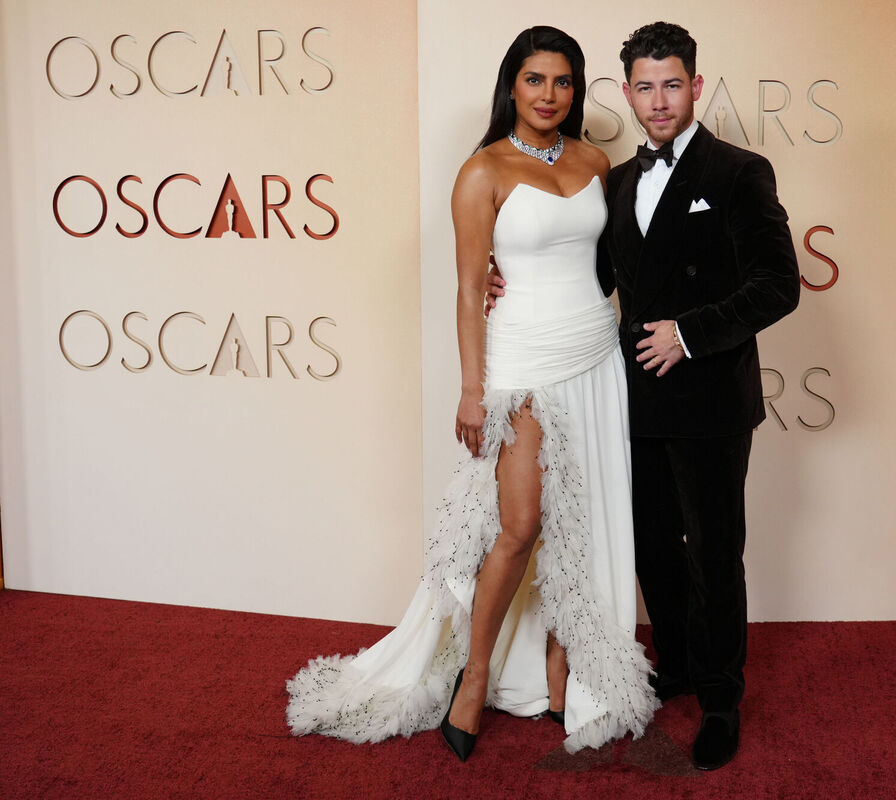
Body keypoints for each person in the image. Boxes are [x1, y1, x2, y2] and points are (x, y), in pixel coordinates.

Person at [286, 25, 657, 762]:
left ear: (576, 90)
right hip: (520, 363)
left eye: (562, 81)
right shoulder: (481, 170)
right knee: (517, 525)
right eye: (534, 80)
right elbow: (465, 290)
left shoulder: (596, 160)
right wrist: (470, 390)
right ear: (510, 86)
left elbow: (612, 263)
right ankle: (473, 675)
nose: (549, 95)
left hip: (594, 354)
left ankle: (562, 675)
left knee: (579, 521)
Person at [493, 22, 801, 770]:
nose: (658, 101)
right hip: (631, 398)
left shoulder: (739, 172)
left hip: (711, 401)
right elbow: (584, 269)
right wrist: (513, 279)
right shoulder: (619, 180)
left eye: (672, 85)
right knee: (652, 548)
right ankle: (681, 664)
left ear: (695, 87)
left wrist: (688, 334)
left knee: (715, 552)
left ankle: (722, 698)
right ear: (626, 92)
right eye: (644, 86)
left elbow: (778, 286)